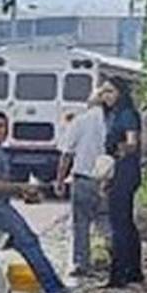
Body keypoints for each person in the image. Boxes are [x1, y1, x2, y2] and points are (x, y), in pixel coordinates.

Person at [0, 111, 69, 293]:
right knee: (29, 243)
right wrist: (22, 186)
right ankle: (54, 288)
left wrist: (21, 192)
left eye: (5, 127)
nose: (3, 131)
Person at [56, 85, 111, 277]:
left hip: (83, 180)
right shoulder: (113, 122)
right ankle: (116, 260)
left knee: (81, 224)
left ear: (90, 102)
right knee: (106, 222)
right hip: (108, 181)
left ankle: (82, 264)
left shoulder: (80, 121)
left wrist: (60, 180)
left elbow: (67, 154)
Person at [105, 78, 143, 289]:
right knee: (126, 223)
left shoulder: (126, 115)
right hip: (121, 172)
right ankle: (132, 271)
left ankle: (120, 273)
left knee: (119, 224)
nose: (105, 96)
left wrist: (116, 153)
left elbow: (132, 143)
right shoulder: (114, 114)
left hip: (124, 172)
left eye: (110, 91)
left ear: (120, 93)